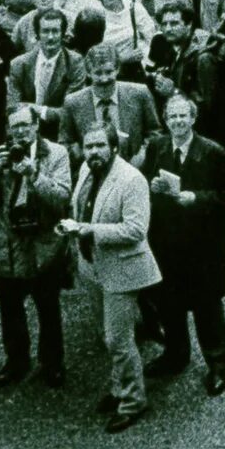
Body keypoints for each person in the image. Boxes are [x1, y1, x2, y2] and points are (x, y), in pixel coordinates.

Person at [62, 120, 159, 430]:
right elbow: (80, 208)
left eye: (100, 145)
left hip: (122, 269)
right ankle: (119, 388)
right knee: (108, 336)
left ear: (115, 147)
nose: (93, 152)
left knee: (119, 338)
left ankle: (133, 401)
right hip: (92, 267)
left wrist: (88, 230)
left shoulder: (132, 180)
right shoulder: (85, 170)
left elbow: (135, 230)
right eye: (89, 146)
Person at [0, 101, 73, 387]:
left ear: (36, 125)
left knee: (48, 308)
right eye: (15, 127)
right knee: (10, 309)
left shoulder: (56, 153)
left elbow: (62, 199)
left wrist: (34, 174)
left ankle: (52, 362)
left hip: (43, 245)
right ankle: (16, 361)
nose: (21, 133)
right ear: (8, 129)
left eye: (26, 126)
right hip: (5, 246)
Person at [140, 92, 225, 395]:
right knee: (169, 304)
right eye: (172, 116)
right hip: (166, 242)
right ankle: (175, 355)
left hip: (202, 246)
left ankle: (217, 362)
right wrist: (152, 186)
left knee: (207, 307)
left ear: (193, 118)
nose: (178, 121)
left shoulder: (213, 152)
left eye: (183, 116)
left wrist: (197, 198)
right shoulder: (156, 147)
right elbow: (143, 181)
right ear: (165, 120)